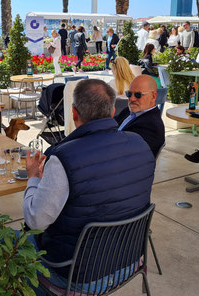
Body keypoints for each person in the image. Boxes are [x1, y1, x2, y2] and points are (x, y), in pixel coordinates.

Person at [22, 79, 155, 290]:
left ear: (74, 114)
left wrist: (33, 178)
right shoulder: (140, 144)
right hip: (129, 262)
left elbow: (35, 221)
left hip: (79, 274)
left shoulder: (63, 158)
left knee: (10, 241)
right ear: (112, 111)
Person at [115, 75, 165, 157]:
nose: (132, 99)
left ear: (153, 96)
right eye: (129, 94)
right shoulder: (129, 111)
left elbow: (122, 151)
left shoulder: (151, 126)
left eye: (138, 95)